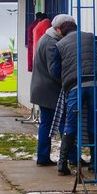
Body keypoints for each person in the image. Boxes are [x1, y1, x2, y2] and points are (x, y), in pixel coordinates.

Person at [52, 18, 97, 175]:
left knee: (71, 124)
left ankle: (62, 165)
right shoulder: (90, 37)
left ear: (62, 33)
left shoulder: (60, 45)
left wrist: (66, 78)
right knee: (94, 124)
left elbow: (55, 71)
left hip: (75, 86)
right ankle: (94, 165)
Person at [29, 14, 68, 166]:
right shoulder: (52, 43)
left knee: (47, 123)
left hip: (42, 89)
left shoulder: (46, 38)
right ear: (59, 28)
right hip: (49, 90)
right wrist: (67, 81)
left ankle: (44, 157)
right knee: (61, 123)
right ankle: (67, 156)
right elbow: (54, 70)